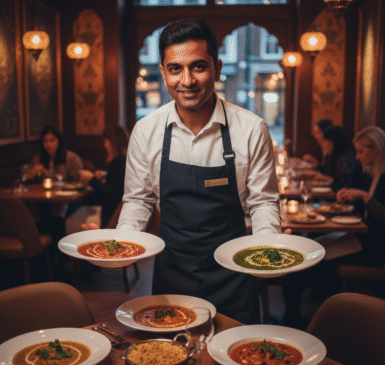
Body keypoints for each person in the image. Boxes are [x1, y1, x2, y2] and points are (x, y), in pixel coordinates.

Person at [111, 19, 281, 324]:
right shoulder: (146, 131)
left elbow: (263, 203)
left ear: (215, 68)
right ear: (163, 72)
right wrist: (123, 245)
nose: (186, 80)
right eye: (175, 69)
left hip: (234, 277)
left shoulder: (252, 129)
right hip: (172, 276)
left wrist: (266, 250)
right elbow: (138, 200)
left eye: (198, 67)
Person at [79, 125, 129, 228]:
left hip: (112, 216)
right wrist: (106, 175)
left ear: (113, 142)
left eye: (105, 141)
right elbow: (118, 184)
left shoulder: (118, 161)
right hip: (117, 212)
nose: (104, 145)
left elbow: (111, 194)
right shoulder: (124, 160)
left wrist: (91, 179)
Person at [313, 126, 360, 192]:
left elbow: (345, 186)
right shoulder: (333, 156)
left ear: (333, 143)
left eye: (325, 141)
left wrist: (327, 179)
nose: (322, 144)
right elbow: (324, 172)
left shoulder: (344, 159)